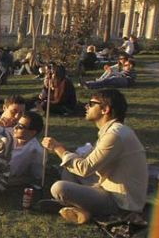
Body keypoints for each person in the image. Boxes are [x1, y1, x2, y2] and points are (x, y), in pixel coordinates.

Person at [40, 89, 148, 224]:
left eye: (91, 104)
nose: (86, 107)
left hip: (121, 201)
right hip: (106, 185)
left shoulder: (115, 135)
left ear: (105, 109)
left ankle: (83, 210)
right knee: (68, 168)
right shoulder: (114, 130)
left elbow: (85, 168)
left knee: (59, 187)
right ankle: (77, 207)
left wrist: (58, 148)